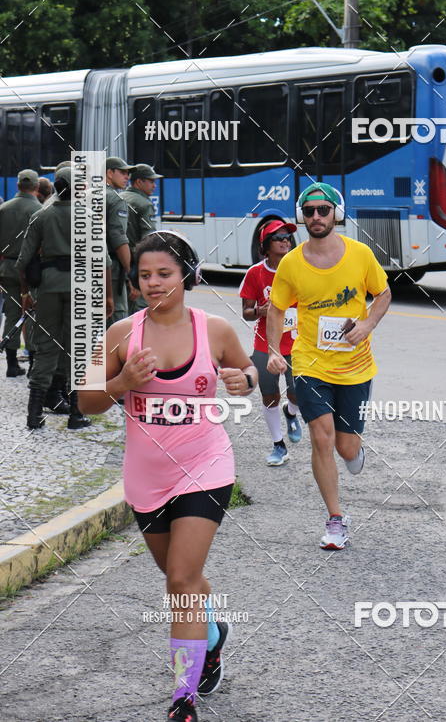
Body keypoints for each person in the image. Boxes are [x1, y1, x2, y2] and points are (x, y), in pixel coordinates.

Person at [78, 231, 257, 722]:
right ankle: (212, 636)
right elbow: (85, 401)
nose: (154, 283)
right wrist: (122, 382)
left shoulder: (215, 329)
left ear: (186, 276)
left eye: (164, 273)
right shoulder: (119, 334)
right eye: (144, 276)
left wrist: (244, 380)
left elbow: (248, 372)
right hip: (146, 476)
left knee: (180, 578)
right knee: (182, 577)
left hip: (206, 465)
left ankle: (184, 698)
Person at [267, 183, 391, 550]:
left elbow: (383, 293)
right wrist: (274, 351)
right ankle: (335, 519)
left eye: (323, 210)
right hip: (310, 363)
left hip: (356, 366)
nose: (316, 216)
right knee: (321, 437)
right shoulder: (291, 263)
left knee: (346, 449)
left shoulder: (360, 254)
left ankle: (354, 450)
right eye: (309, 211)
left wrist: (367, 325)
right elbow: (276, 308)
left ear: (337, 213)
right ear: (301, 216)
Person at [16, 167, 93, 430]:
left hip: (48, 287)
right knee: (77, 348)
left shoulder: (41, 215)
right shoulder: (89, 216)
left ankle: (34, 415)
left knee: (46, 347)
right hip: (80, 287)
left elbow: (23, 261)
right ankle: (76, 415)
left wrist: (26, 293)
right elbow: (103, 261)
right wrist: (105, 296)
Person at [239, 220, 301, 466]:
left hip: (296, 343)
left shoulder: (300, 268)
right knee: (269, 395)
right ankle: (278, 445)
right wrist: (261, 311)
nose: (285, 240)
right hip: (265, 344)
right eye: (278, 237)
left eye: (287, 236)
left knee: (298, 393)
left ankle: (291, 412)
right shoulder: (255, 273)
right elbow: (246, 312)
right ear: (266, 245)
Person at [0, 169, 42, 377]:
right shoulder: (40, 210)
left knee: (12, 312)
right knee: (32, 314)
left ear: (18, 185)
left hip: (7, 267)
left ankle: (11, 363)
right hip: (31, 269)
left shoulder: (3, 209)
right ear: (36, 187)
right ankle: (33, 363)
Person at [122, 163, 162, 313]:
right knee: (140, 311)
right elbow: (148, 241)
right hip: (135, 263)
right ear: (139, 182)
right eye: (151, 181)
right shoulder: (144, 204)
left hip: (118, 263)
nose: (154, 186)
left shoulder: (120, 197)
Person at [105, 156, 133, 326]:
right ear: (109, 173)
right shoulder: (115, 199)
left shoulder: (86, 195)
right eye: (122, 172)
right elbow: (118, 239)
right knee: (117, 319)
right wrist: (131, 272)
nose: (127, 177)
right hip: (112, 271)